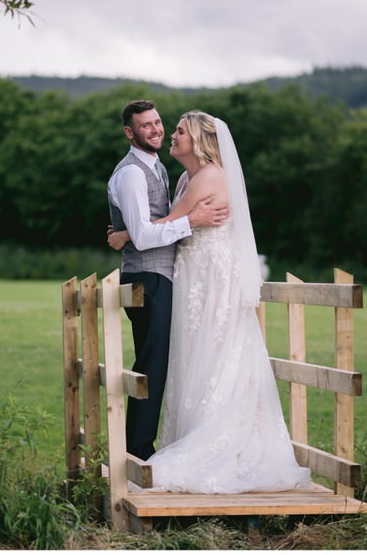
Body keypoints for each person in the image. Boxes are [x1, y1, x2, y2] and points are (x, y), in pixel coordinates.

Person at [109, 111, 312, 493]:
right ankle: (191, 433)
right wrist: (132, 232)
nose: (171, 134)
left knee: (216, 354)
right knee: (195, 357)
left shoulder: (209, 178)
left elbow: (160, 229)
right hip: (193, 275)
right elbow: (171, 225)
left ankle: (216, 444)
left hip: (210, 278)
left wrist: (124, 236)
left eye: (180, 131)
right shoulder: (188, 176)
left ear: (199, 140)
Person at [107, 100, 228, 461]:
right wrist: (192, 221)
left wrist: (125, 234)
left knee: (159, 363)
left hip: (165, 276)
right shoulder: (131, 173)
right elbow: (146, 236)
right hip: (148, 278)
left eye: (159, 123)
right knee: (152, 366)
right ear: (130, 132)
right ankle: (138, 452)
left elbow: (144, 227)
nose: (157, 130)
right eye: (147, 126)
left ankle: (142, 447)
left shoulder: (159, 168)